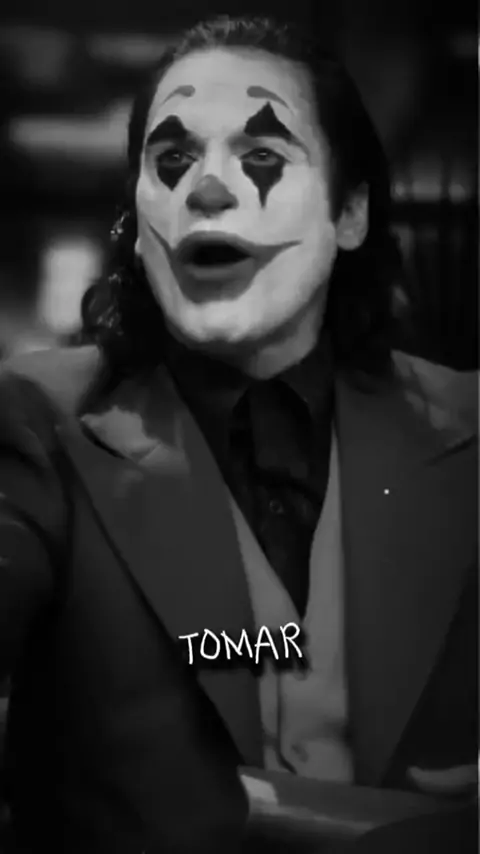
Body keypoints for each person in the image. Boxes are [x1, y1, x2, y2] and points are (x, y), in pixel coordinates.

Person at [0, 15, 477, 853]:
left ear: (350, 212)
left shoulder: (469, 430)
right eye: (171, 160)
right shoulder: (37, 418)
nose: (207, 189)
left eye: (262, 155)